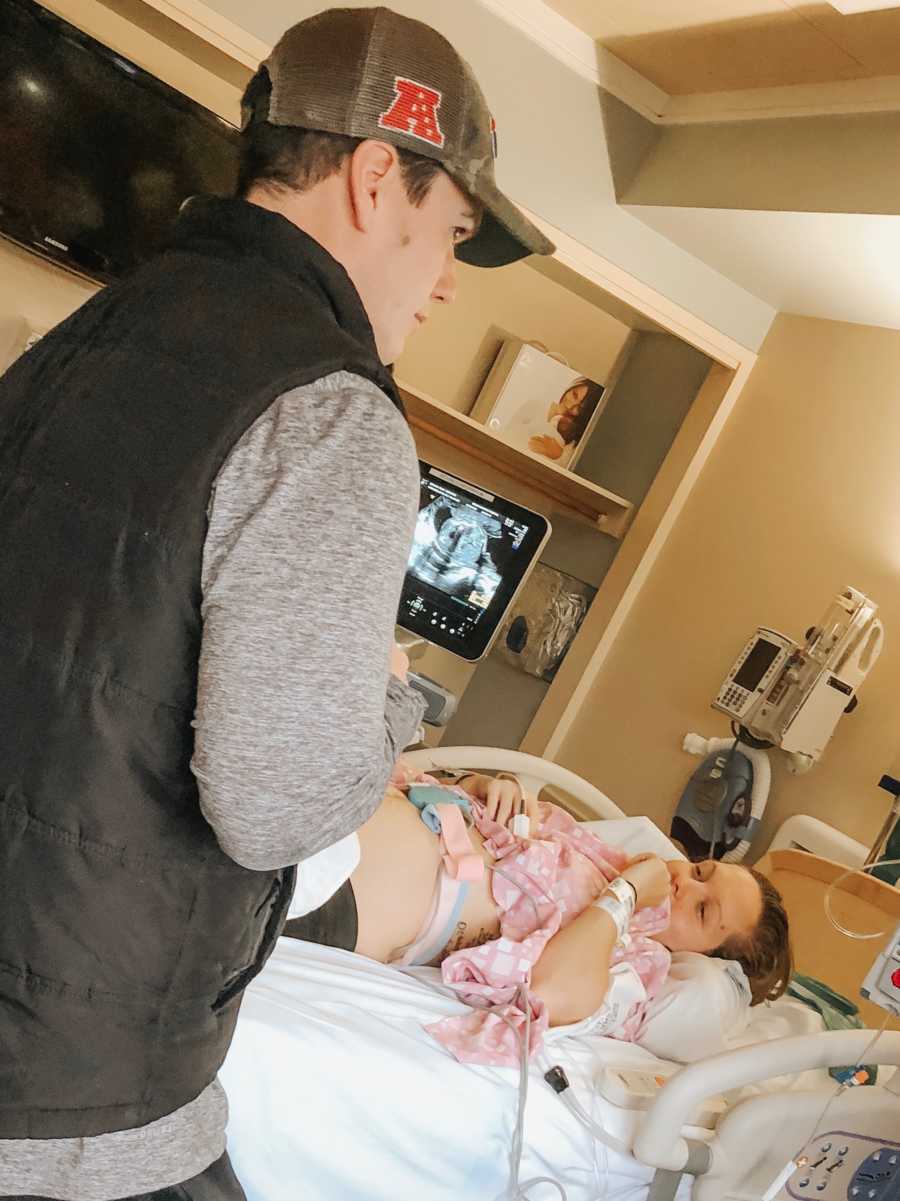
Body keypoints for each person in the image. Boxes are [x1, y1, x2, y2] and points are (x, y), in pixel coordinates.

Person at [0, 8, 553, 1201]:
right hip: (71, 1069)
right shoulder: (335, 413)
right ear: (372, 179)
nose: (448, 282)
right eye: (451, 232)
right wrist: (390, 711)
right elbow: (279, 808)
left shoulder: (86, 336)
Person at [287, 769, 792, 1051]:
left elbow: (551, 991)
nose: (685, 885)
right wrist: (487, 784)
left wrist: (631, 892)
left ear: (703, 955)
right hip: (340, 803)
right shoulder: (593, 849)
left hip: (339, 897)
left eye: (703, 913)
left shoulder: (630, 975)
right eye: (701, 873)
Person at [527, 377, 604, 464]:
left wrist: (558, 456)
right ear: (571, 387)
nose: (571, 406)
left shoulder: (576, 444)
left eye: (580, 408)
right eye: (574, 395)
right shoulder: (534, 407)